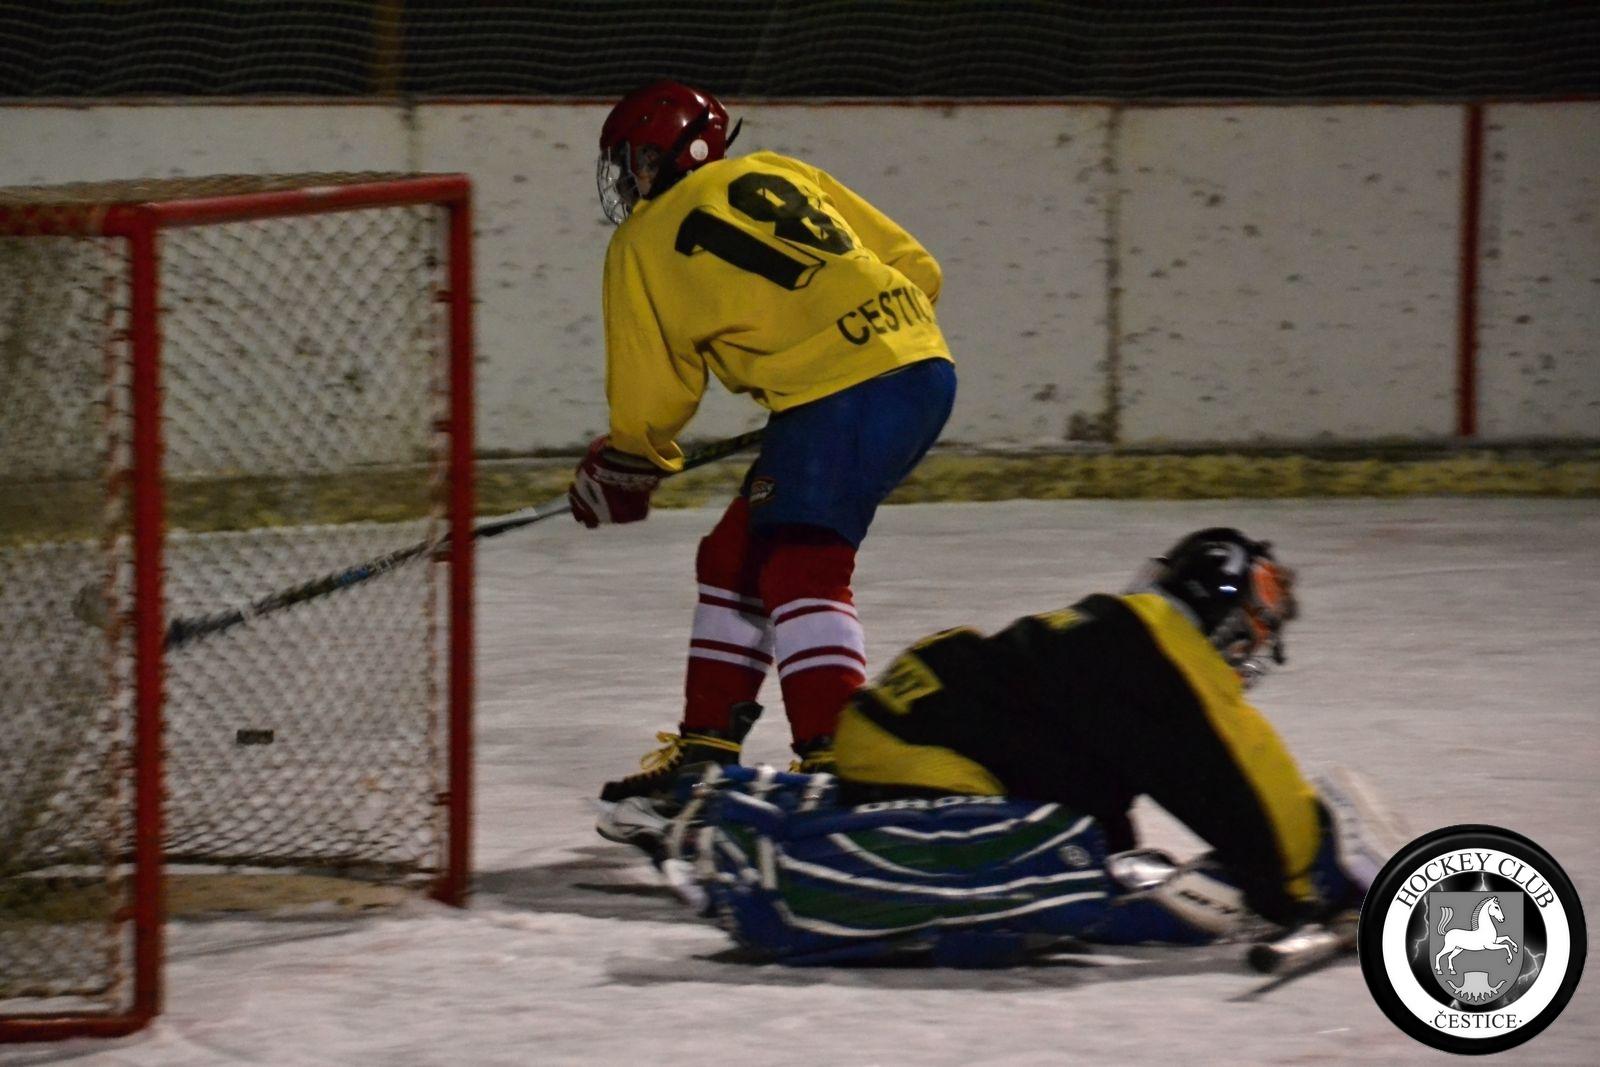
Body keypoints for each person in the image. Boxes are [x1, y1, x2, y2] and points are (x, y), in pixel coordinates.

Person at [659, 528, 1403, 964]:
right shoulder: (1162, 653)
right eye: (1250, 636)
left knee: (1080, 841)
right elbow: (1233, 771)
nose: (1246, 659)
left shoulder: (1119, 635)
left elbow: (1082, 766)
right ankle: (780, 872)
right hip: (934, 754)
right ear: (1223, 619)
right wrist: (1307, 877)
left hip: (915, 730)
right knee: (1059, 865)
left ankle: (742, 806)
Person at [571, 80, 957, 827]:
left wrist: (629, 461)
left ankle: (841, 772)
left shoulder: (642, 240)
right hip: (922, 368)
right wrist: (842, 356)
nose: (629, 179)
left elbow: (654, 395)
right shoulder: (781, 169)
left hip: (842, 394)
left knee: (802, 565)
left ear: (675, 154)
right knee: (734, 558)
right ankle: (706, 756)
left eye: (636, 160)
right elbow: (918, 268)